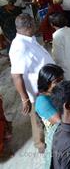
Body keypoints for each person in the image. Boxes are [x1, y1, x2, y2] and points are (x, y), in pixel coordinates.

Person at [9, 14, 54, 153]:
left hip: (45, 86)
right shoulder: (19, 46)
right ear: (29, 26)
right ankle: (40, 144)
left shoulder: (29, 39)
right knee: (36, 118)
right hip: (35, 91)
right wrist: (25, 99)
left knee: (44, 113)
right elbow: (16, 76)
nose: (36, 25)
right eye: (34, 23)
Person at [35, 64, 63, 169]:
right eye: (57, 82)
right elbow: (61, 121)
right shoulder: (42, 101)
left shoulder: (55, 93)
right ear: (46, 83)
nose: (61, 84)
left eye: (62, 80)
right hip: (59, 139)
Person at [49, 13, 70, 81]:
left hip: (65, 67)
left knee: (68, 85)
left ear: (52, 24)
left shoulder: (57, 35)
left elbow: (57, 56)